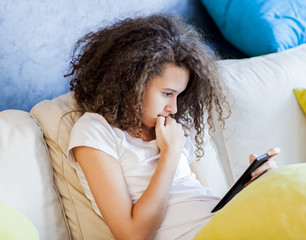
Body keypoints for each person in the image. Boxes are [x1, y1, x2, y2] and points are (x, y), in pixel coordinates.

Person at [65, 14, 279, 240]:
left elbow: (205, 203)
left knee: (284, 188)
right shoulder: (95, 131)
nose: (174, 108)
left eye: (179, 95)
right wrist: (170, 153)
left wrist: (248, 192)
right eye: (167, 94)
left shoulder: (175, 129)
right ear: (131, 82)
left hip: (225, 226)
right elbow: (132, 234)